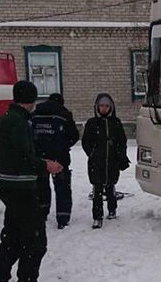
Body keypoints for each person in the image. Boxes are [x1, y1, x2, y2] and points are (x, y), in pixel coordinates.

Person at [0, 80, 63, 282]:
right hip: (20, 189)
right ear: (31, 100)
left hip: (13, 187)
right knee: (35, 240)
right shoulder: (18, 122)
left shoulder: (12, 119)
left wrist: (40, 163)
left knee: (12, 237)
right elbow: (24, 158)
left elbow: (19, 156)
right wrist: (46, 165)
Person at [32, 92, 80, 229]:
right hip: (59, 157)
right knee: (62, 187)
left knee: (41, 186)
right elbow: (74, 135)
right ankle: (62, 217)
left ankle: (42, 212)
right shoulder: (64, 115)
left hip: (40, 157)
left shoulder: (35, 114)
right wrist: (64, 146)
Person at [81, 92, 129, 229]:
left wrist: (121, 155)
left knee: (110, 185)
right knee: (97, 188)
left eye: (106, 106)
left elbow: (122, 141)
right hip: (96, 162)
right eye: (101, 105)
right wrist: (92, 154)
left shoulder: (116, 123)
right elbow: (86, 142)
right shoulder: (92, 123)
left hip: (112, 161)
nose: (104, 108)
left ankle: (112, 209)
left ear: (111, 107)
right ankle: (97, 217)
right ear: (97, 107)